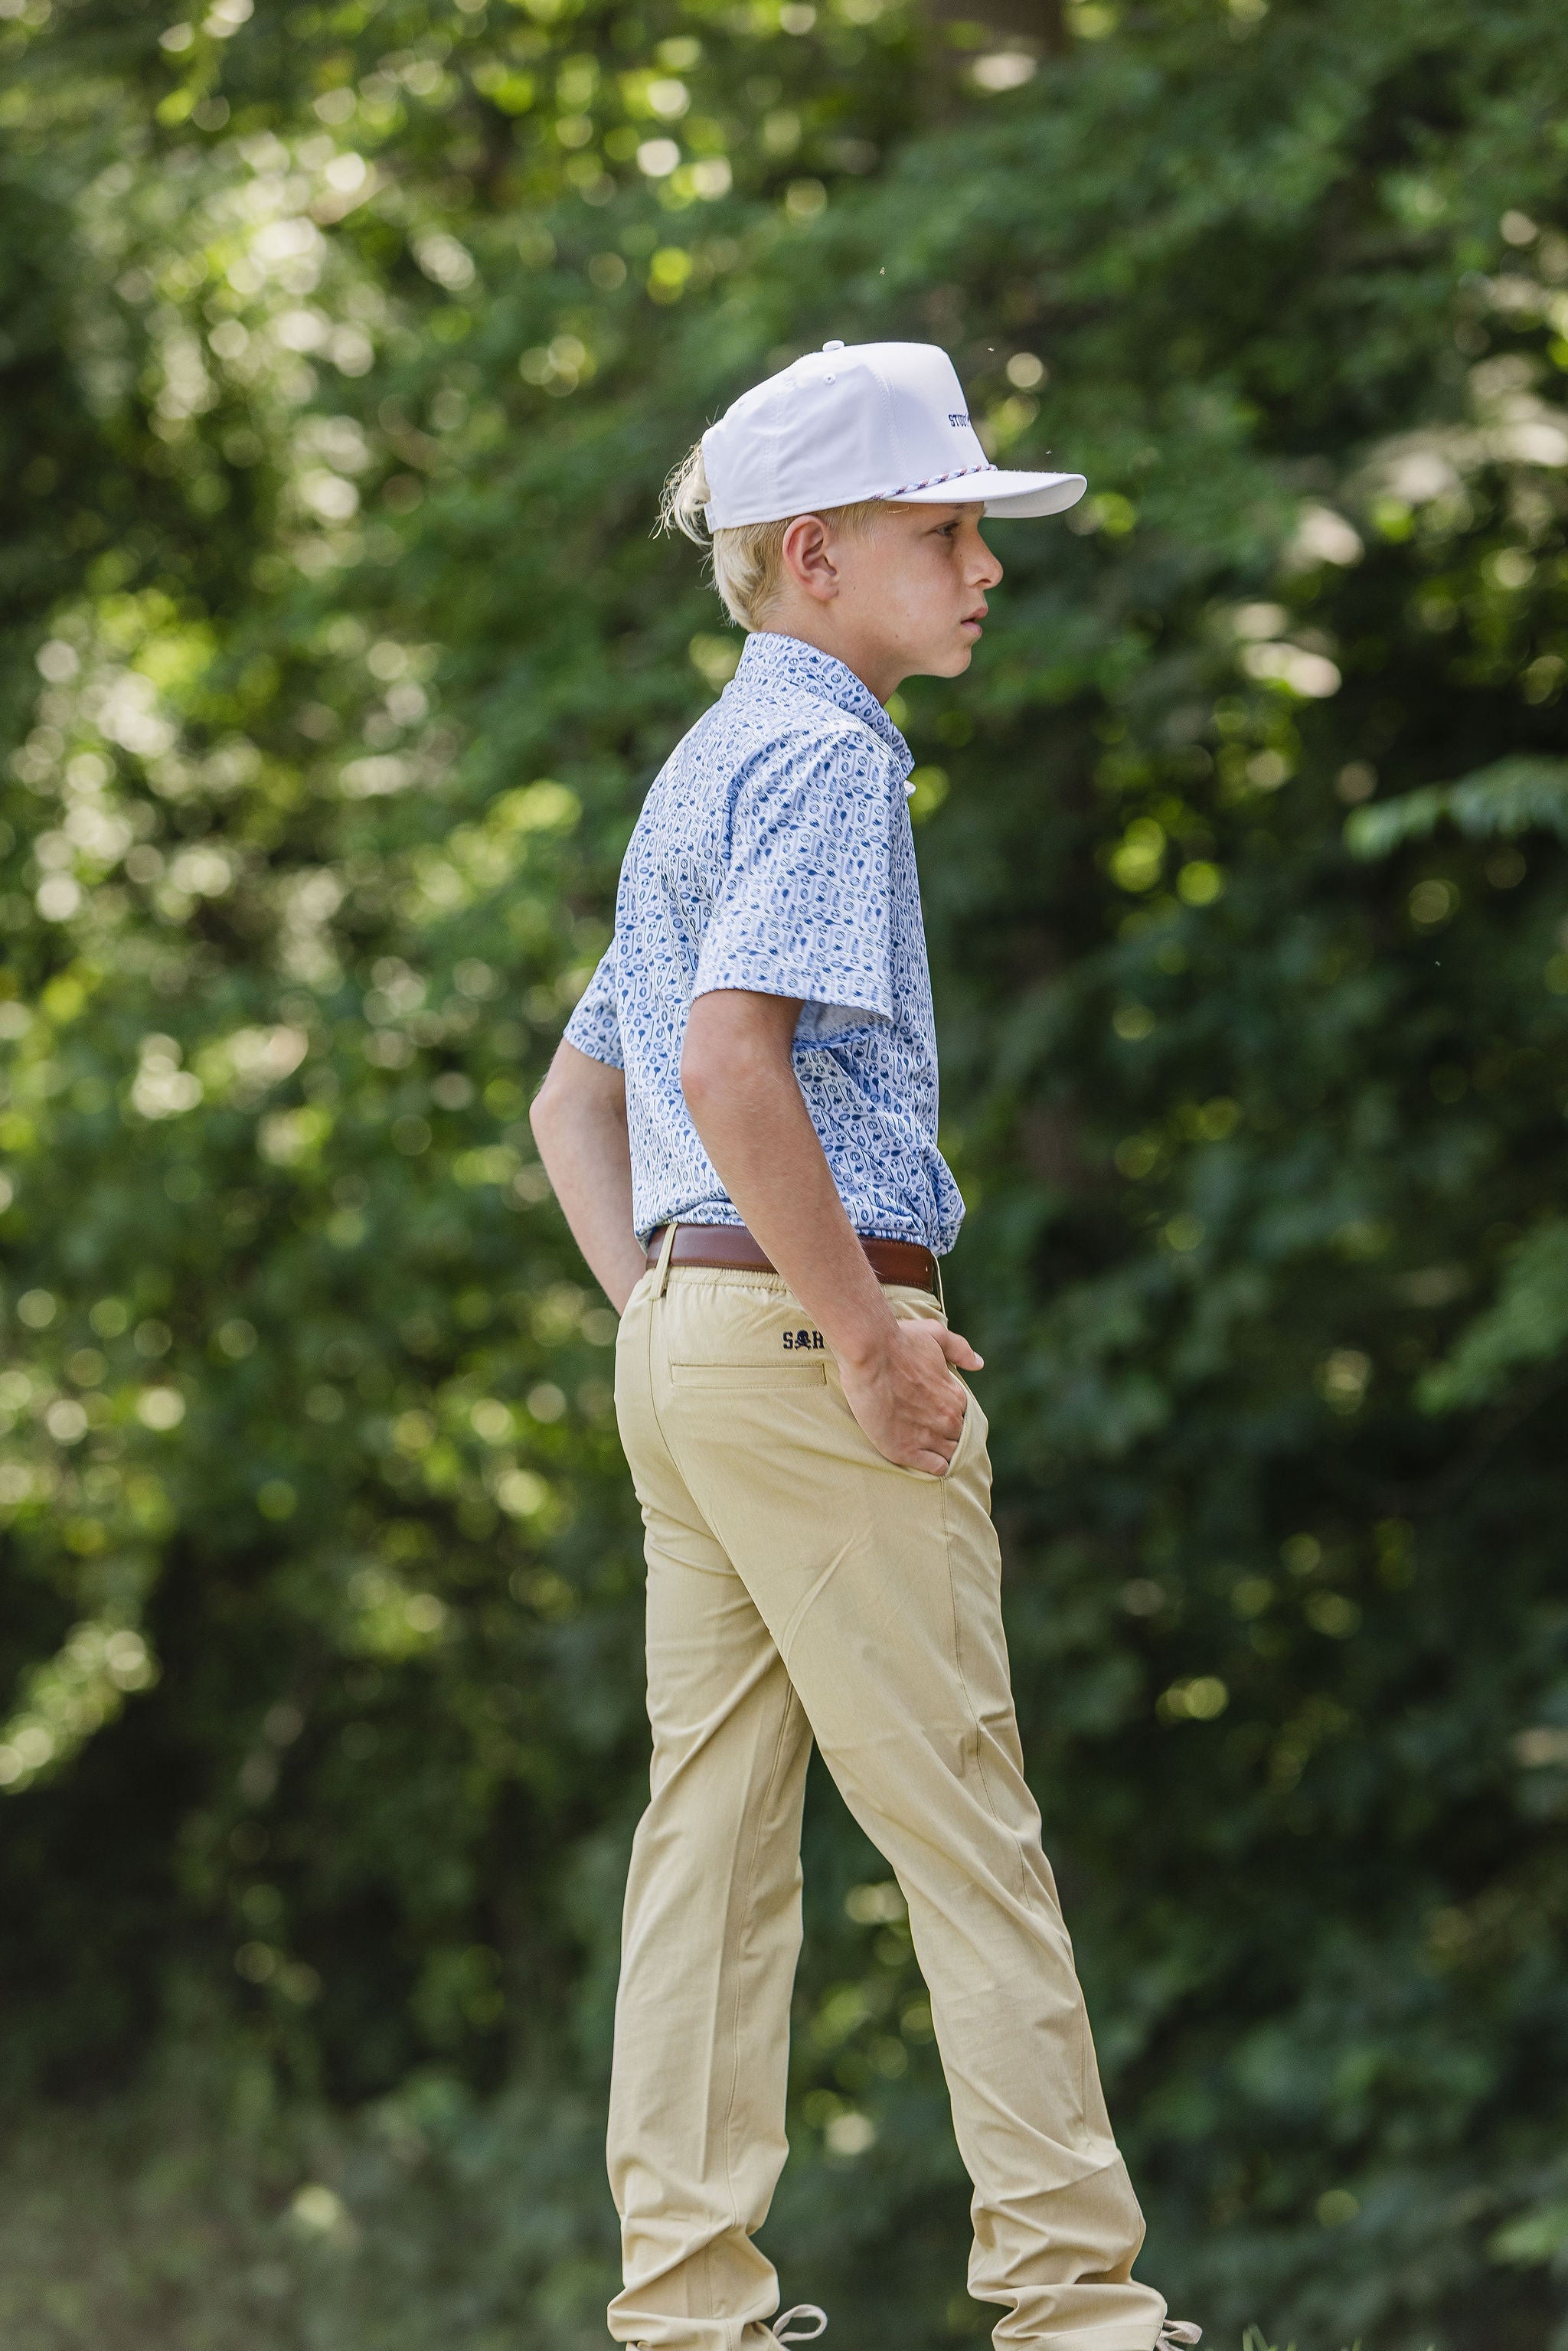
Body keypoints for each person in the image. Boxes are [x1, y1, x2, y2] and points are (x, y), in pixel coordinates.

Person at [529, 339, 1199, 2351]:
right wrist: (861, 1340)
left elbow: (579, 1106)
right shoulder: (826, 754)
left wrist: (678, 1315)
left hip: (690, 1335)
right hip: (812, 1337)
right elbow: (731, 1063)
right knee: (966, 1830)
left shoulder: (704, 762)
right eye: (945, 532)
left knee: (709, 1848)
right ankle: (1078, 2313)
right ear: (815, 556)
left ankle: (687, 2311)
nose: (986, 566)